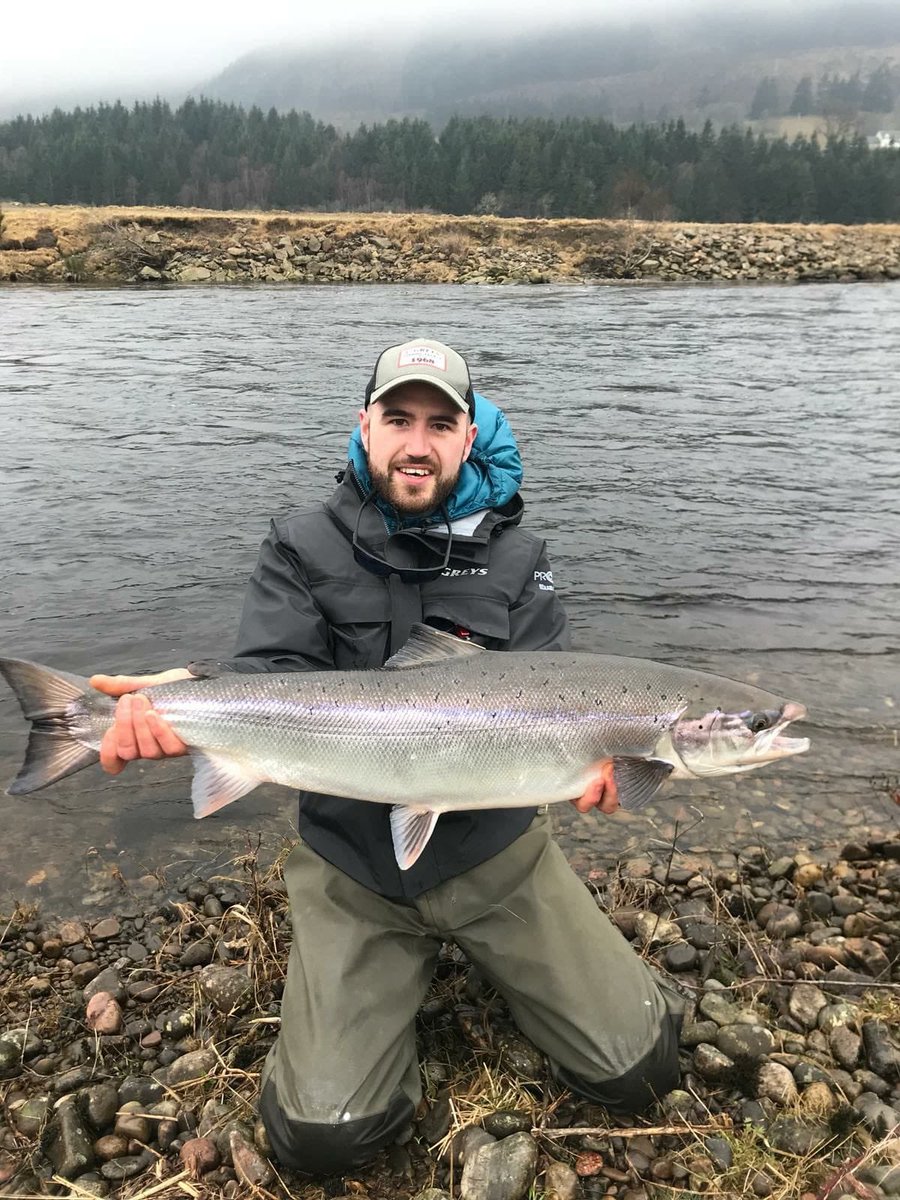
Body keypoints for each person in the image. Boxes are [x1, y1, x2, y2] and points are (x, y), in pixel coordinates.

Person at [91, 338, 683, 1175]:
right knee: (324, 1138)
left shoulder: (518, 557)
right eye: (398, 419)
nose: (417, 442)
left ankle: (495, 964)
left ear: (468, 437)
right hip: (353, 866)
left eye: (440, 424)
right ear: (364, 426)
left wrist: (610, 771)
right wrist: (192, 696)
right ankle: (386, 1003)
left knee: (640, 1069)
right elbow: (272, 672)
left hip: (497, 855)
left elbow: (562, 691)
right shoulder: (301, 541)